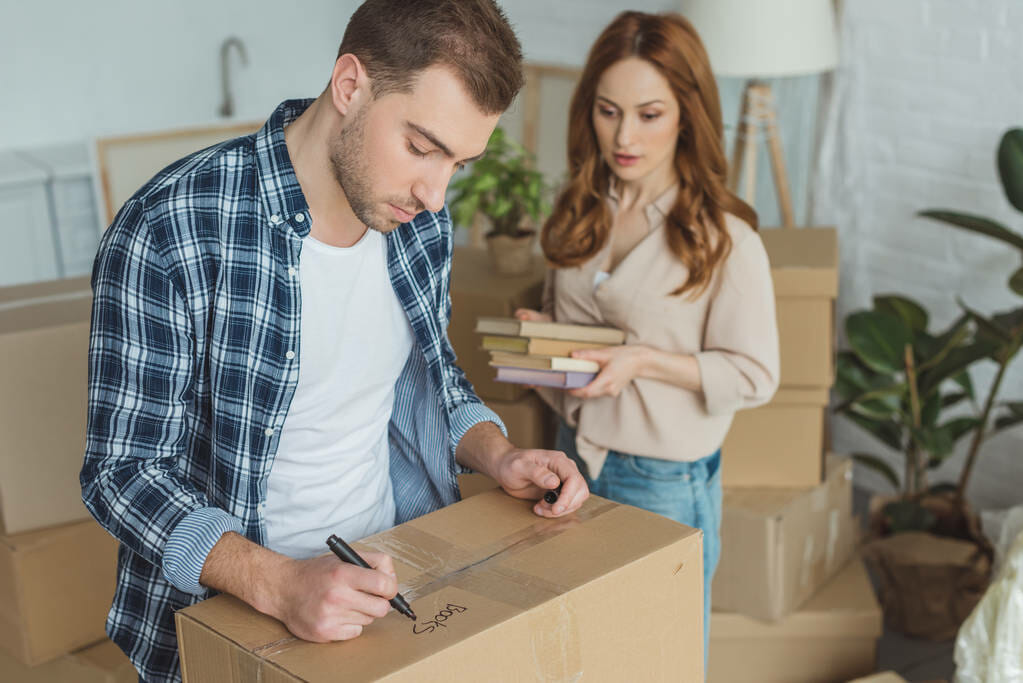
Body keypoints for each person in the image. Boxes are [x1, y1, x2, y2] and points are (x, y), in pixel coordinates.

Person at [80, 2, 588, 681]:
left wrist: (497, 453)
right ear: (350, 85)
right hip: (236, 610)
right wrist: (280, 582)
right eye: (421, 146)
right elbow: (122, 472)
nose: (435, 194)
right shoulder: (171, 227)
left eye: (458, 164)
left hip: (390, 581)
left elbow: (429, 373)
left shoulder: (416, 222)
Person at [515, 11, 779, 658]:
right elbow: (575, 338)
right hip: (565, 456)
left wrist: (644, 361)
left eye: (648, 114)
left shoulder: (725, 240)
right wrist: (543, 338)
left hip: (660, 481)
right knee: (577, 652)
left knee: (656, 657)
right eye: (607, 112)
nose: (623, 135)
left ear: (686, 114)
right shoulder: (578, 210)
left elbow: (755, 374)